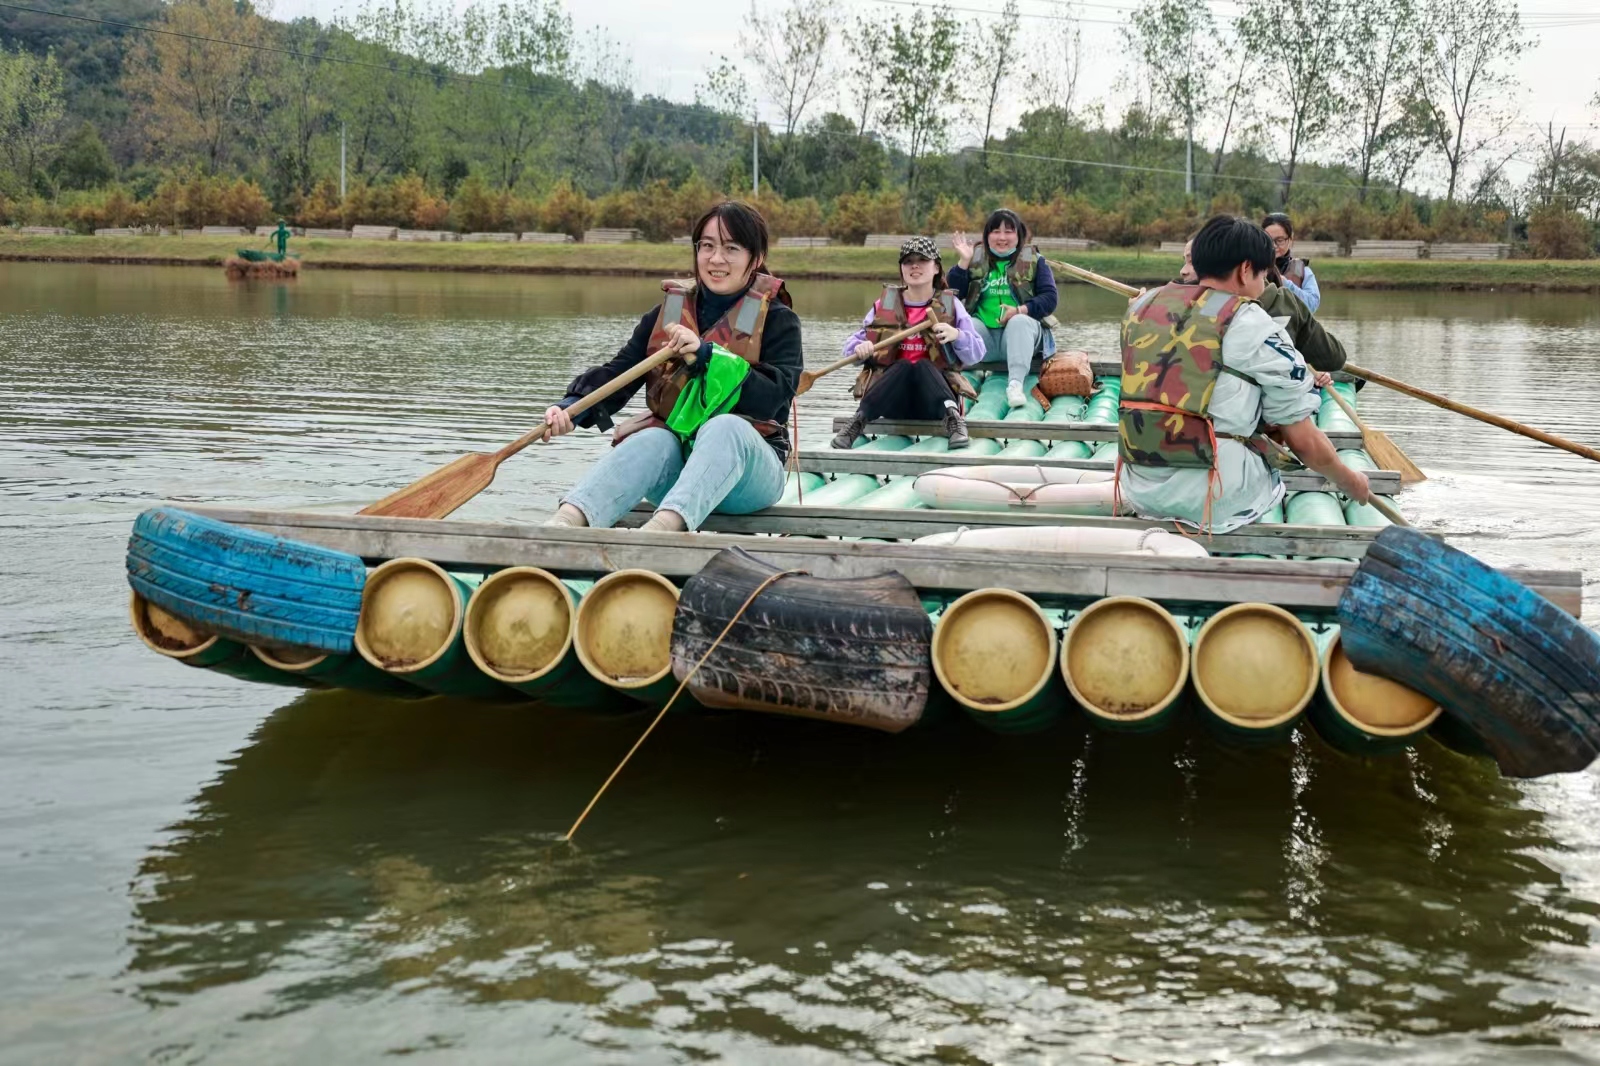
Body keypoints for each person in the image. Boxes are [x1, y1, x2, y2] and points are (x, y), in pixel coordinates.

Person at [540, 200, 801, 532]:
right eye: (706, 246)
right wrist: (571, 409)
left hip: (748, 480)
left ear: (756, 258)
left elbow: (774, 396)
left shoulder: (779, 320)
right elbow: (621, 372)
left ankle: (659, 534)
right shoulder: (667, 313)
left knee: (725, 427)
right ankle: (563, 525)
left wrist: (707, 356)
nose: (715, 259)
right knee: (653, 438)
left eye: (731, 248)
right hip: (678, 472)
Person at [1117, 215, 1370, 533]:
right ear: (1246, 269)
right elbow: (1304, 442)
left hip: (1138, 487)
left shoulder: (1140, 307)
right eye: (1264, 275)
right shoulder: (1255, 324)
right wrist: (1352, 482)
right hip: (1212, 497)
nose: (1264, 286)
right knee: (1275, 452)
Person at [831, 236, 987, 450]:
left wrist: (957, 335)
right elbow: (853, 345)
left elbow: (977, 354)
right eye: (908, 261)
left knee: (922, 366)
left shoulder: (952, 305)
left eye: (922, 260)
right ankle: (857, 422)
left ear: (936, 268)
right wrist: (860, 348)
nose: (914, 265)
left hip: (936, 403)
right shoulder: (884, 304)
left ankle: (954, 422)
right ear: (902, 269)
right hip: (893, 401)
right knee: (903, 366)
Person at [1179, 236, 1344, 373]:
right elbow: (1334, 358)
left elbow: (1333, 358)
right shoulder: (1282, 303)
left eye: (1192, 262)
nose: (1183, 271)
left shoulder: (1196, 303)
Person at [947, 209, 1059, 410]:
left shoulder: (1035, 260)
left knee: (1019, 322)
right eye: (995, 231)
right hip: (984, 342)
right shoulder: (975, 259)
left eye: (1009, 232)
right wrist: (963, 262)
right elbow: (950, 294)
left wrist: (1019, 311)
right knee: (966, 324)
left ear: (1019, 235)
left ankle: (1015, 385)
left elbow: (1050, 299)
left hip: (1020, 340)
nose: (1002, 237)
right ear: (987, 235)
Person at [1261, 212, 1321, 312]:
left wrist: (1285, 283)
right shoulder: (1250, 267)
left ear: (1290, 240)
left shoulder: (1302, 270)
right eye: (1268, 240)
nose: (1274, 246)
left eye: (1279, 240)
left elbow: (1312, 304)